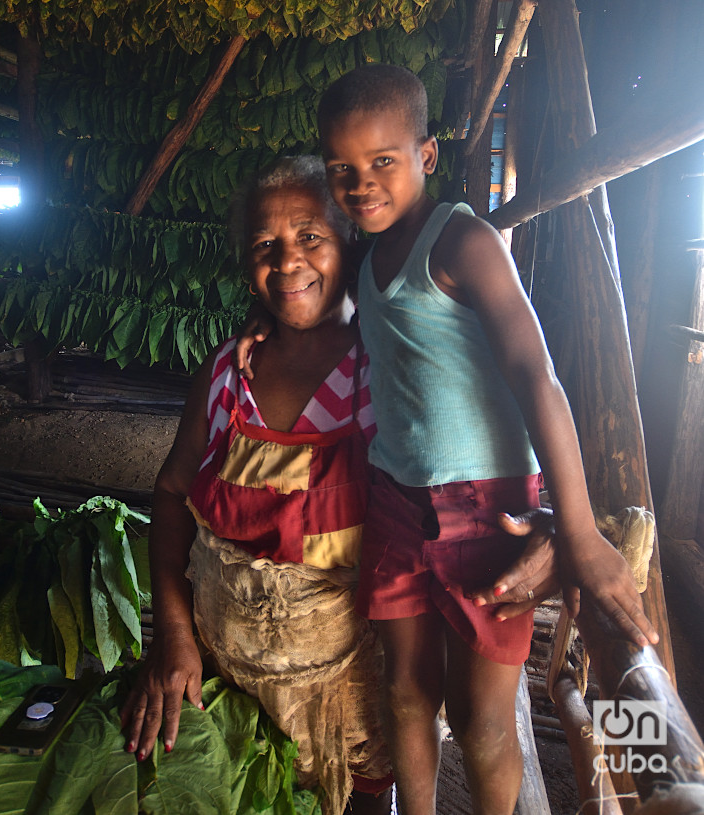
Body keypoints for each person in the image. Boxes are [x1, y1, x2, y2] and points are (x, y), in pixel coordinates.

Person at [119, 156, 557, 815]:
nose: (288, 261)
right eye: (265, 244)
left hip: (353, 714)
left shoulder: (387, 365)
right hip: (233, 689)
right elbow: (173, 491)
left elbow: (494, 432)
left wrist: (550, 518)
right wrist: (173, 635)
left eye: (311, 237)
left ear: (349, 247)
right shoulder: (226, 374)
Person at [290, 64, 656, 815]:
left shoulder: (462, 241)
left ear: (425, 156)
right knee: (405, 691)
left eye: (382, 162)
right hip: (394, 500)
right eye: (342, 170)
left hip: (489, 509)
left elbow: (536, 376)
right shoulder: (365, 261)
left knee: (483, 717)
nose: (361, 185)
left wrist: (579, 532)